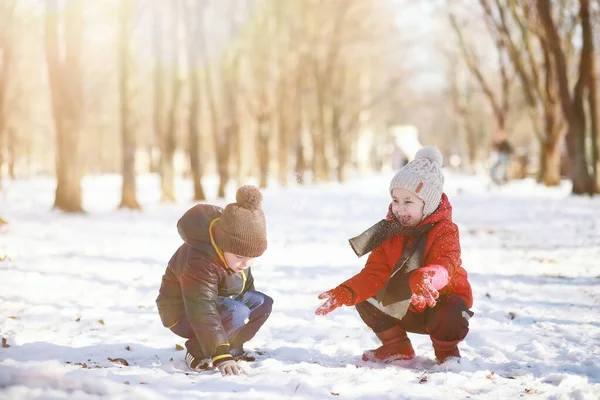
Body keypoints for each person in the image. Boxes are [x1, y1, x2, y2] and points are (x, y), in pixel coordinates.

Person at [315, 146, 473, 364]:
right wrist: (345, 292)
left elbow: (445, 263)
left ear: (429, 204)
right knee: (365, 296)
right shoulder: (390, 230)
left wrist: (427, 277)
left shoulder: (445, 230)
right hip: (405, 305)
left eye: (408, 202)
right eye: (396, 200)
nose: (400, 208)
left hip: (438, 302)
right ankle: (396, 346)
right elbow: (374, 273)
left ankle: (447, 353)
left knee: (450, 309)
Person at [156, 185, 273, 376]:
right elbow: (201, 309)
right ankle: (197, 352)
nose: (245, 263)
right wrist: (220, 356)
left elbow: (244, 289)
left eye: (252, 257)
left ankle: (232, 348)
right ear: (224, 245)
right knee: (238, 311)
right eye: (240, 256)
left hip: (216, 304)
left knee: (261, 303)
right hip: (183, 312)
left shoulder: (237, 254)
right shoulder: (199, 261)